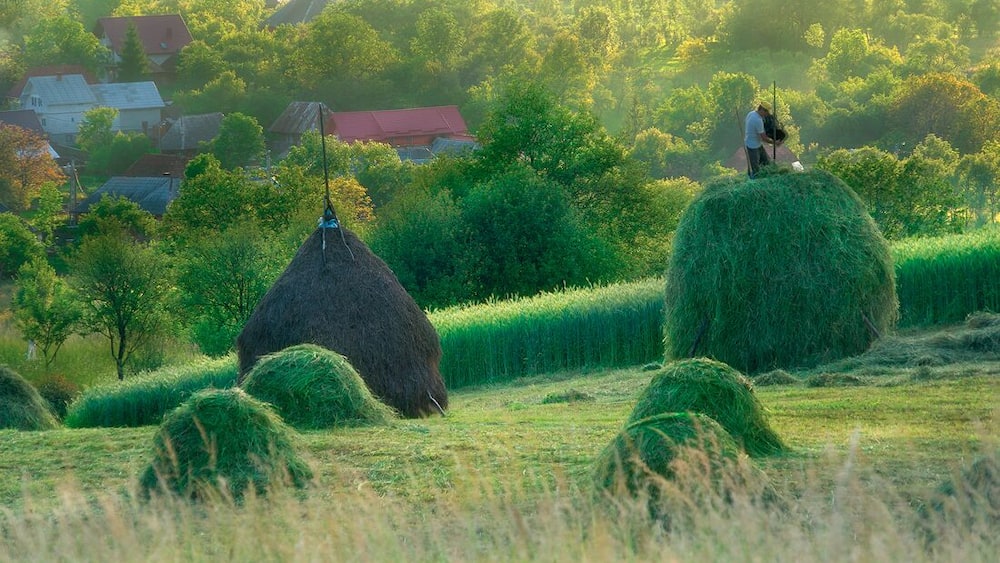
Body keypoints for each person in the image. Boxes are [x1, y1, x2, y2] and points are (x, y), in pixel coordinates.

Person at [744, 102, 781, 178]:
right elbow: (764, 138)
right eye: (766, 112)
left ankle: (767, 177)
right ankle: (754, 183)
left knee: (766, 163)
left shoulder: (751, 113)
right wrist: (774, 142)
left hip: (757, 144)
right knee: (755, 169)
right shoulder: (757, 120)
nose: (767, 114)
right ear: (762, 110)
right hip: (752, 146)